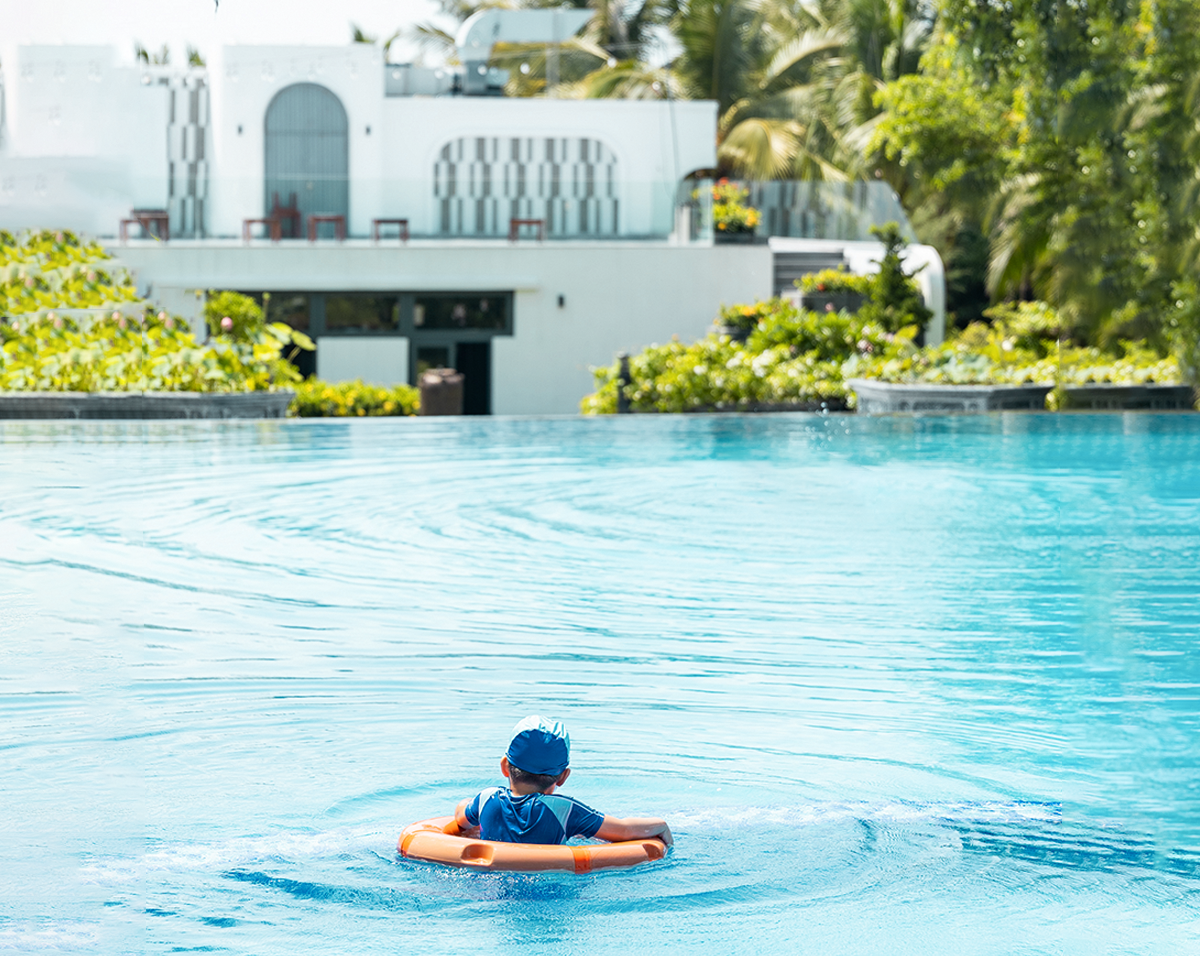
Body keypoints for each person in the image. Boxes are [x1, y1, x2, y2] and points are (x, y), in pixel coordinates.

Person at [455, 715, 673, 848]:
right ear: (563, 777)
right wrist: (661, 825)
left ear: (504, 766)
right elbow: (623, 830)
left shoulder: (486, 799)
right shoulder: (564, 810)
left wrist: (470, 805)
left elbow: (460, 819)